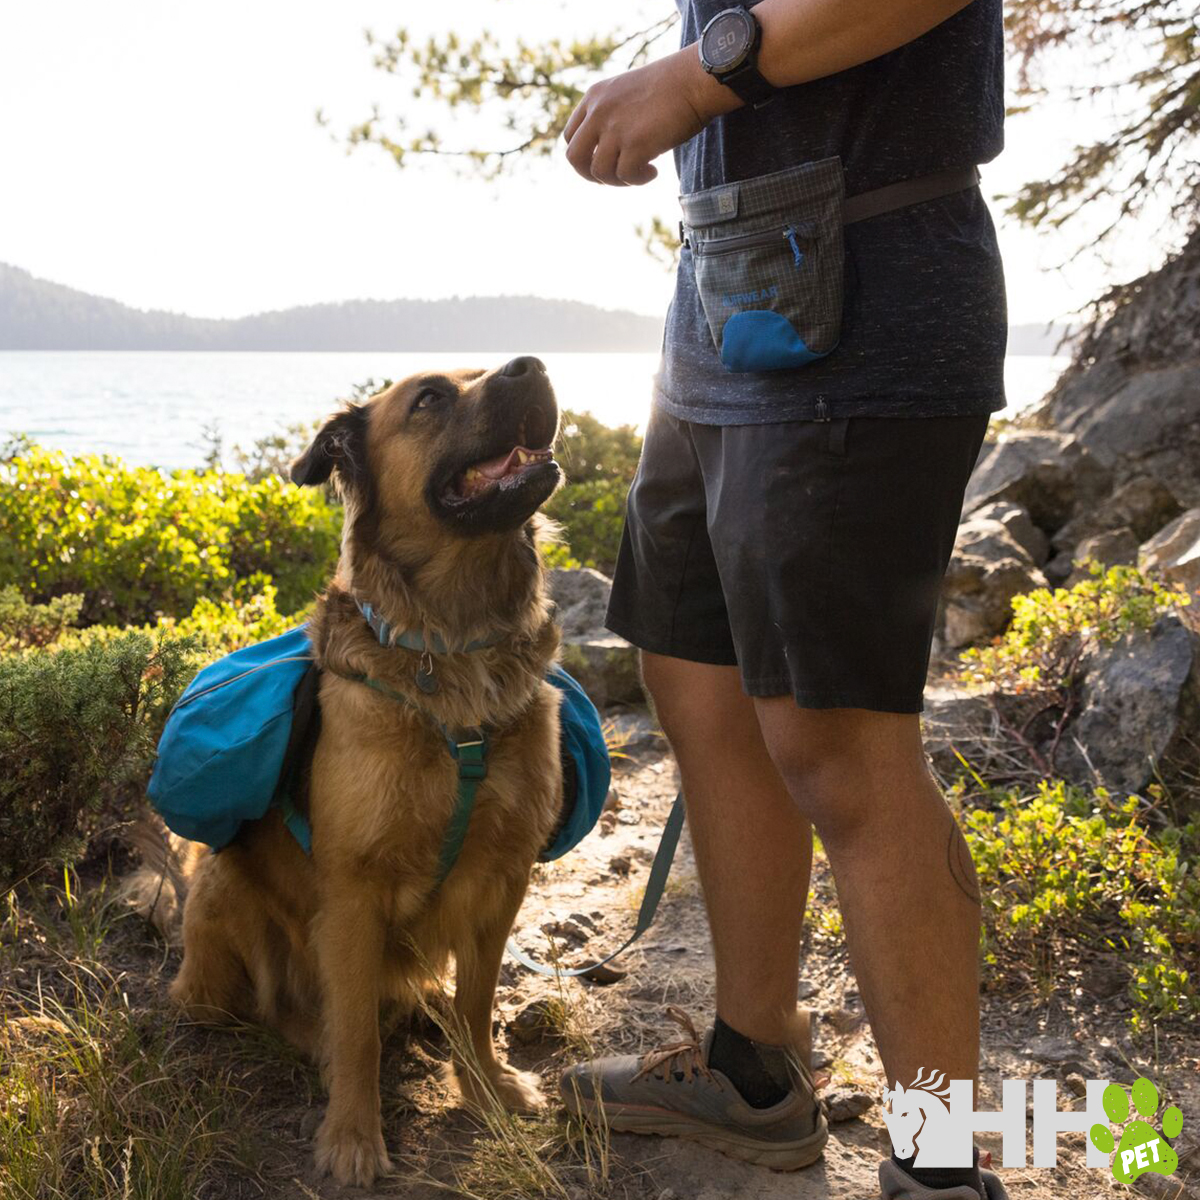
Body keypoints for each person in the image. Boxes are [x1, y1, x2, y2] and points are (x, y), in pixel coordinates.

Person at [557, 2, 1009, 1198]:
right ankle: (754, 1072)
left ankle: (941, 1163)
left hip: (872, 279)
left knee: (837, 739)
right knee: (693, 678)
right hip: (720, 296)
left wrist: (698, 77)